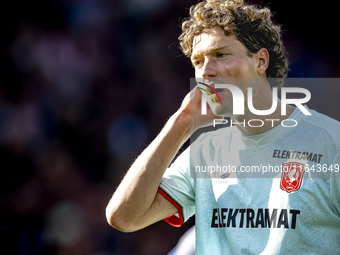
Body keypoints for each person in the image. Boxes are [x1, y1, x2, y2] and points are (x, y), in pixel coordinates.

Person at [106, 0, 340, 254]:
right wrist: (181, 122)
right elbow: (124, 217)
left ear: (260, 61)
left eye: (220, 55)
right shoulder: (205, 152)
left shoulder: (330, 142)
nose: (205, 71)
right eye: (197, 62)